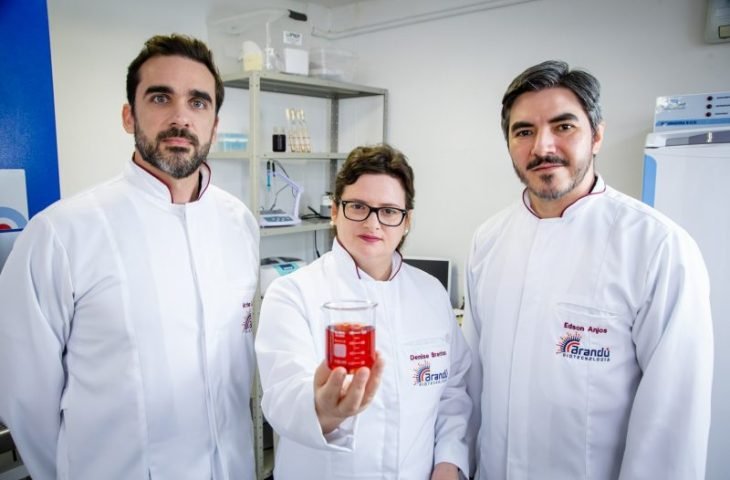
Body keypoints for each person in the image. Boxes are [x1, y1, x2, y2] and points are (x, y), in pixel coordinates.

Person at [0, 34, 259, 479]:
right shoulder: (61, 234)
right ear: (128, 116)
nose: (180, 117)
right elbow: (26, 399)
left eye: (198, 102)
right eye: (160, 97)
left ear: (214, 125)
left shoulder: (239, 224)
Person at [463, 60, 713, 479]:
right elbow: (473, 383)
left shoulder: (658, 247)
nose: (542, 147)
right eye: (523, 132)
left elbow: (671, 424)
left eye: (563, 126)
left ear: (596, 136)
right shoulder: (488, 241)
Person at [255, 144, 472, 480]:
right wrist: (323, 409)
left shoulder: (431, 293)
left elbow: (453, 391)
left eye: (389, 211)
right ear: (335, 211)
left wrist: (449, 461)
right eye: (358, 206)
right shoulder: (293, 294)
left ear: (407, 221)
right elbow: (282, 397)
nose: (373, 223)